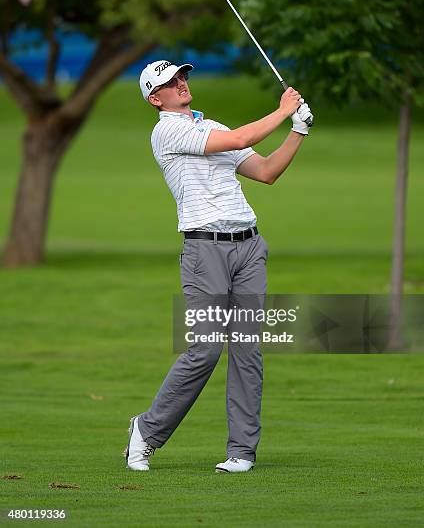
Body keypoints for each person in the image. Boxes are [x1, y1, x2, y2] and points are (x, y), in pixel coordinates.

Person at [125, 59, 313, 473]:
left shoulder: (212, 125)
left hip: (249, 246)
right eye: (170, 82)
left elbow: (264, 172)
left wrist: (297, 130)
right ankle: (146, 431)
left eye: (182, 76)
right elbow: (240, 138)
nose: (181, 83)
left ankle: (241, 452)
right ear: (156, 99)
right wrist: (283, 110)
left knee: (248, 351)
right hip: (204, 251)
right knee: (206, 349)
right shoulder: (167, 130)